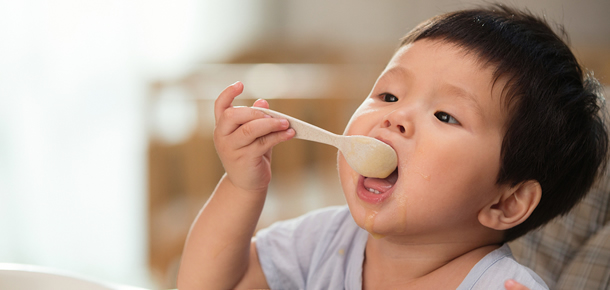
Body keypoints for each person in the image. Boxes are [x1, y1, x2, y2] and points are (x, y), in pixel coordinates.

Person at [177, 4, 608, 289]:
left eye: (445, 115)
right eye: (388, 95)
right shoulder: (324, 241)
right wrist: (241, 186)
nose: (395, 117)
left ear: (507, 202)